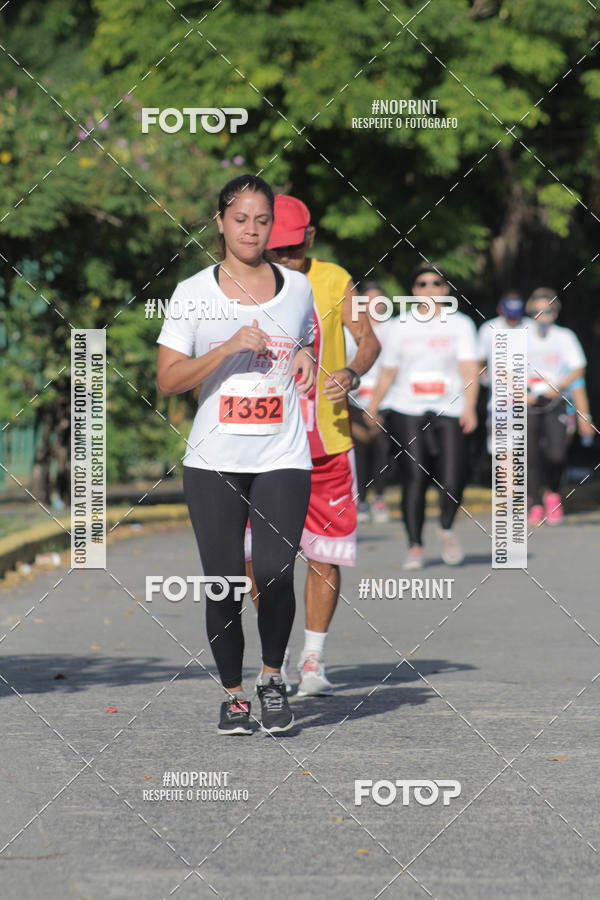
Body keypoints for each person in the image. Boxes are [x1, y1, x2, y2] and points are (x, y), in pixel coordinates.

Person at [156, 175, 316, 734]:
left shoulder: (297, 288)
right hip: (214, 458)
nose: (252, 229)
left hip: (282, 453)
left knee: (273, 573)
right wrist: (224, 349)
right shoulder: (193, 292)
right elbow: (169, 378)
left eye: (262, 220)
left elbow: (306, 341)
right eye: (241, 218)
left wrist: (307, 361)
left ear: (273, 226)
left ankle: (272, 679)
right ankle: (233, 695)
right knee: (223, 582)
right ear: (220, 222)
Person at [247, 193, 380, 696]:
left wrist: (351, 370)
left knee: (324, 553)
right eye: (273, 249)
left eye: (290, 251)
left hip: (325, 439)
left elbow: (369, 341)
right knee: (258, 560)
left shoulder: (334, 279)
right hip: (258, 441)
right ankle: (273, 655)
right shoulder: (240, 279)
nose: (281, 259)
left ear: (310, 239)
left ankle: (313, 661)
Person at [368, 263, 478, 570]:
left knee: (454, 476)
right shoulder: (400, 325)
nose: (429, 290)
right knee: (414, 476)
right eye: (422, 284)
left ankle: (446, 527)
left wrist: (470, 406)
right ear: (413, 291)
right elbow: (389, 370)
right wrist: (374, 405)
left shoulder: (461, 325)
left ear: (446, 290)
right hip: (407, 406)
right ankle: (415, 545)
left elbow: (469, 368)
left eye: (436, 284)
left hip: (450, 406)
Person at [525, 287, 594, 525]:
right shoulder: (520, 335)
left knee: (556, 453)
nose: (543, 316)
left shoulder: (565, 337)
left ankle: (552, 492)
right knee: (530, 455)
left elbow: (578, 371)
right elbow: (503, 369)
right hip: (527, 402)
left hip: (557, 403)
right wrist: (522, 393)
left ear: (556, 313)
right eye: (538, 311)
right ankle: (533, 502)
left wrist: (559, 389)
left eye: (549, 311)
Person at [344, 282, 394, 523]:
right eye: (367, 301)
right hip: (354, 402)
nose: (373, 306)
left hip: (387, 400)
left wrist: (376, 405)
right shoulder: (347, 332)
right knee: (359, 448)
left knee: (382, 447)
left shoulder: (394, 329)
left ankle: (380, 497)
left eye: (378, 301)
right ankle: (361, 499)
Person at [478, 292, 530, 453]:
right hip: (499, 398)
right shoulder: (488, 328)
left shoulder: (530, 327)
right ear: (500, 310)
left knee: (526, 446)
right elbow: (479, 361)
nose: (513, 321)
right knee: (502, 447)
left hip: (529, 396)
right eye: (510, 316)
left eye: (517, 317)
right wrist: (487, 380)